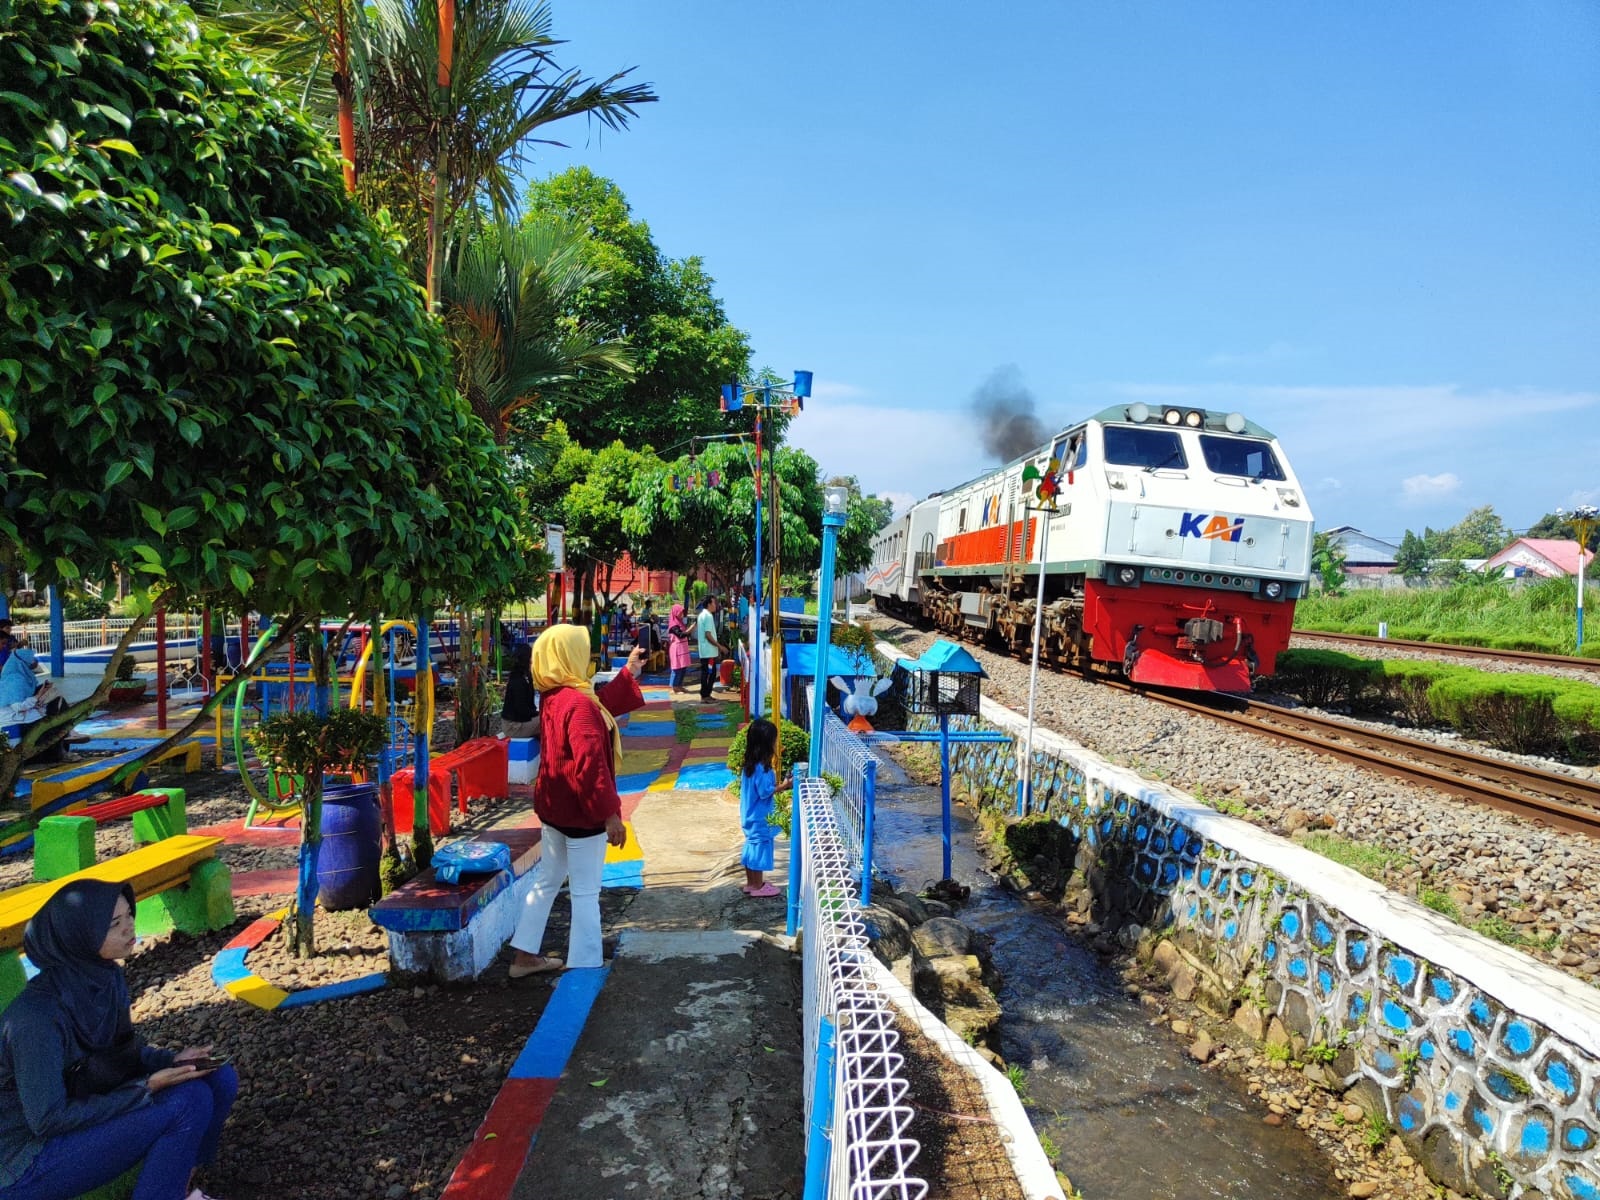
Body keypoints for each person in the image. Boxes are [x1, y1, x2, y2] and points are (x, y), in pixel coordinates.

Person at [0, 881, 239, 1200]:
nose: (129, 927)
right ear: (78, 936)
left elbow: (123, 1054)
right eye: (114, 923)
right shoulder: (35, 1019)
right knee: (186, 1103)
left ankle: (181, 1184)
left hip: (79, 1108)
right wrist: (145, 1088)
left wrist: (173, 1062)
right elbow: (48, 1120)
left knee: (218, 1078)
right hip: (22, 1162)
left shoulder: (104, 977)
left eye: (129, 915)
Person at [508, 627, 646, 977]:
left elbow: (599, 705)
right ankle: (584, 963)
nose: (587, 656)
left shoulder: (554, 695)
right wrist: (609, 814)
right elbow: (591, 766)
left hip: (555, 809)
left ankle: (524, 957)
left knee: (548, 881)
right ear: (569, 655)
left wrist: (628, 672)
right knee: (585, 892)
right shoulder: (579, 704)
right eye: (582, 649)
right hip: (582, 813)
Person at [738, 718, 789, 898]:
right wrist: (785, 785)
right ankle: (759, 886)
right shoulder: (763, 769)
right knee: (760, 849)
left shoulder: (749, 766)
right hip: (760, 817)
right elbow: (765, 792)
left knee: (751, 846)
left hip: (749, 815)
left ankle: (751, 883)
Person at [0, 633, 68, 764]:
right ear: (23, 664)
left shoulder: (17, 675)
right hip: (13, 718)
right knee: (54, 718)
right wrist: (38, 696)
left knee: (57, 703)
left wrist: (41, 692)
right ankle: (56, 752)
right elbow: (18, 707)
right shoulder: (15, 679)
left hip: (18, 714)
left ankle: (60, 748)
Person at [499, 643, 538, 738]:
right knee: (549, 720)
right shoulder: (517, 680)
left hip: (521, 720)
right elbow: (521, 710)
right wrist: (538, 714)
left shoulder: (525, 676)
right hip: (513, 726)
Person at [696, 596, 724, 705]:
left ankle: (706, 694)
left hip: (705, 651)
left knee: (708, 673)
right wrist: (720, 646)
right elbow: (708, 635)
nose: (715, 605)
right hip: (709, 652)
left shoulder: (702, 615)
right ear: (709, 604)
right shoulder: (708, 616)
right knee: (709, 674)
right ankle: (705, 695)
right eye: (714, 603)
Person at [666, 604, 692, 695]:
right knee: (677, 668)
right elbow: (681, 635)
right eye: (680, 612)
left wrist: (689, 630)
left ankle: (679, 685)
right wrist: (690, 629)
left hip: (683, 648)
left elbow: (686, 634)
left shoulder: (680, 623)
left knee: (683, 667)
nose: (682, 614)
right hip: (676, 649)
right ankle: (674, 687)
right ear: (676, 613)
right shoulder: (673, 625)